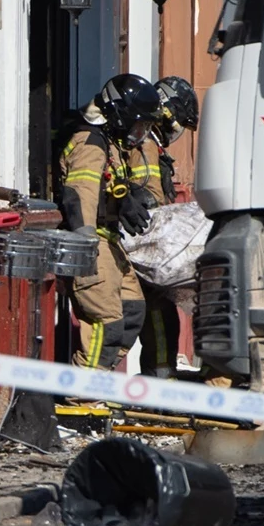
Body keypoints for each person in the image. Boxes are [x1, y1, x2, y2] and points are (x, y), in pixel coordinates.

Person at [57, 74, 160, 370]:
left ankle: (97, 379)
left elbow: (108, 184)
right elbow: (81, 195)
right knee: (107, 323)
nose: (140, 132)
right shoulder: (89, 141)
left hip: (110, 241)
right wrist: (86, 246)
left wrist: (127, 197)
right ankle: (81, 398)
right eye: (139, 123)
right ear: (120, 114)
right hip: (92, 243)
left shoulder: (108, 141)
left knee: (132, 311)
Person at [131, 76, 199, 377]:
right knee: (157, 317)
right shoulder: (144, 144)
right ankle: (160, 380)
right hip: (144, 244)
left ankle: (161, 376)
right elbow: (149, 198)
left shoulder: (153, 146)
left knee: (164, 316)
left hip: (150, 245)